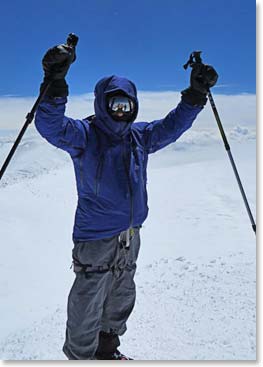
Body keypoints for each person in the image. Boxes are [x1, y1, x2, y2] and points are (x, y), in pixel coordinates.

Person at [35, 42, 218, 360]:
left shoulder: (140, 137)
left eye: (127, 106)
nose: (122, 112)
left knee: (121, 293)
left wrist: (195, 95)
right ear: (103, 105)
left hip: (130, 233)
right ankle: (80, 357)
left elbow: (171, 127)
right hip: (95, 235)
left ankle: (107, 349)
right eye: (115, 105)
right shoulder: (85, 135)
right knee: (88, 297)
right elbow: (50, 126)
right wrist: (54, 82)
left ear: (134, 106)